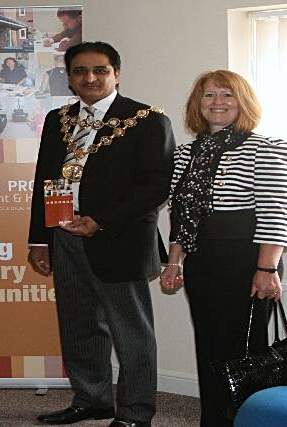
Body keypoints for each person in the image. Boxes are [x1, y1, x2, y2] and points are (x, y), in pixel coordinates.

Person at [28, 41, 175, 427]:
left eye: (100, 70)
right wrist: (40, 238)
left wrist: (102, 220)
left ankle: (135, 413)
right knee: (78, 325)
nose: (89, 78)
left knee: (132, 334)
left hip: (118, 239)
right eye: (80, 71)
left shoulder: (147, 119)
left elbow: (156, 185)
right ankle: (92, 399)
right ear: (70, 77)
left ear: (116, 74)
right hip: (64, 236)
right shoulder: (58, 119)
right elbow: (44, 180)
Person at [160, 70, 287, 427]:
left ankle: (247, 420)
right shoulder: (186, 154)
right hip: (203, 262)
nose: (217, 102)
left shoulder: (266, 147)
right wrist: (175, 263)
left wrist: (267, 269)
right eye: (209, 95)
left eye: (227, 95)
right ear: (197, 103)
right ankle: (214, 420)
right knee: (209, 347)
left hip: (248, 260)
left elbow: (275, 212)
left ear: (243, 102)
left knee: (245, 352)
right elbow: (182, 215)